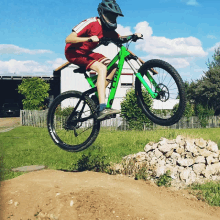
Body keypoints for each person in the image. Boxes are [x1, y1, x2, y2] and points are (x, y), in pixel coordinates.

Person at [65, 0, 142, 120]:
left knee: (114, 67)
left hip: (88, 53)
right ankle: (102, 107)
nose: (112, 18)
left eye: (114, 16)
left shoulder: (108, 30)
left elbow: (119, 39)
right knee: (102, 68)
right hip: (74, 53)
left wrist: (133, 36)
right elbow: (69, 39)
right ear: (103, 13)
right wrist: (89, 39)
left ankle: (97, 95)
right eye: (110, 15)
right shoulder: (91, 23)